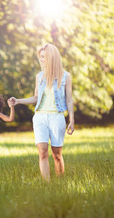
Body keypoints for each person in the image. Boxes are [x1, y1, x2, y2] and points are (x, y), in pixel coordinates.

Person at [9, 43, 74, 181]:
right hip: (40, 117)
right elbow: (36, 98)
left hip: (57, 117)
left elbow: (69, 99)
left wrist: (72, 121)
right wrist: (18, 101)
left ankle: (60, 183)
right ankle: (47, 184)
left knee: (56, 154)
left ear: (52, 57)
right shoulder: (39, 76)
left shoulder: (66, 76)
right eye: (41, 57)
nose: (42, 60)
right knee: (42, 151)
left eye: (44, 57)